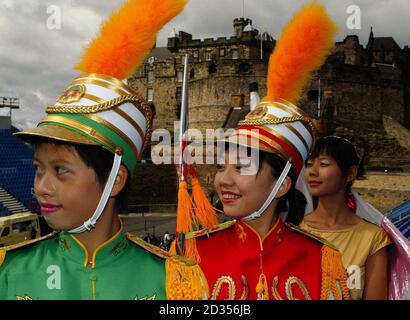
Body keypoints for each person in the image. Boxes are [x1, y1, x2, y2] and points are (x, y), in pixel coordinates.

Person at [0, 0, 208, 300]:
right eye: (37, 169)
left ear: (116, 179)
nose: (40, 188)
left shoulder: (174, 284)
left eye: (60, 170)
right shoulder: (9, 273)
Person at [174, 3, 350, 300]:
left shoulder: (321, 260)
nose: (222, 180)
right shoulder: (193, 254)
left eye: (240, 167)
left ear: (282, 184)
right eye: (220, 166)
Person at [299, 136, 392, 300]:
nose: (312, 172)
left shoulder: (373, 238)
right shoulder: (295, 230)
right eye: (309, 164)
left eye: (324, 164)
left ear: (350, 173)